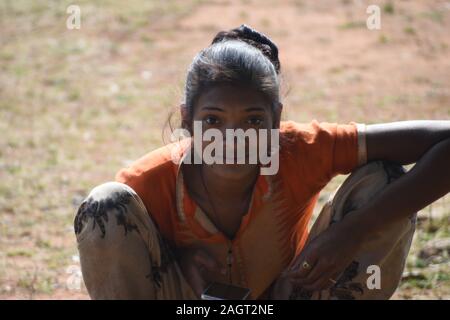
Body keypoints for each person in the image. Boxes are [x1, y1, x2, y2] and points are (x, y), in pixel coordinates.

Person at [74, 24, 450, 300]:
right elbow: (130, 257)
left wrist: (352, 231)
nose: (233, 139)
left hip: (291, 291)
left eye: (253, 120)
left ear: (277, 119)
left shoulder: (299, 149)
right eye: (213, 121)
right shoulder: (149, 181)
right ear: (187, 120)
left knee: (382, 180)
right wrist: (179, 257)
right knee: (106, 205)